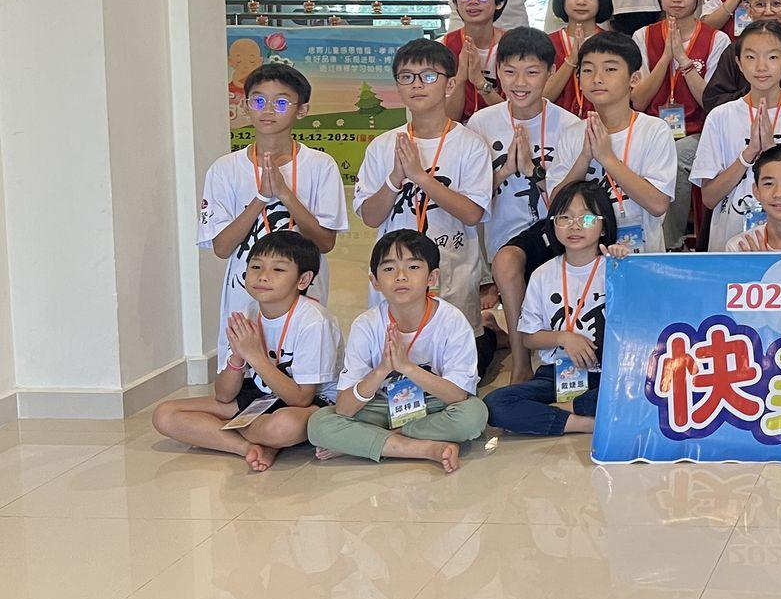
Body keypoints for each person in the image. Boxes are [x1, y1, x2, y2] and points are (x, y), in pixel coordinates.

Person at [352, 40, 491, 366]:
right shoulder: (382, 146)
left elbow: (473, 214)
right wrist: (395, 179)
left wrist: (421, 177)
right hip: (396, 279)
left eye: (428, 76)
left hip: (452, 274)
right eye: (406, 77)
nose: (416, 84)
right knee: (394, 363)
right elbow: (370, 217)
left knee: (452, 369)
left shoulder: (470, 145)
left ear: (450, 85)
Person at [154, 231, 341, 471]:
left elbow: (301, 398)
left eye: (278, 269)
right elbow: (224, 395)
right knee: (165, 414)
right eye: (255, 266)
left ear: (303, 280)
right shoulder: (248, 312)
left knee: (282, 426)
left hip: (310, 403)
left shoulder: (314, 321)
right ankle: (249, 447)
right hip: (261, 397)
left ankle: (247, 434)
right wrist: (237, 357)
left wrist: (254, 355)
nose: (263, 276)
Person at [307, 231, 488, 472]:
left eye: (413, 267)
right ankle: (426, 448)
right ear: (375, 281)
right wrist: (382, 370)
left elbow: (457, 395)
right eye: (389, 269)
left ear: (432, 277)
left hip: (434, 405)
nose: (401, 276)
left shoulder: (452, 320)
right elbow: (345, 407)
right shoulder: (366, 324)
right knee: (319, 425)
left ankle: (376, 440)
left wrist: (407, 368)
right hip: (382, 405)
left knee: (473, 415)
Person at [467, 27, 585, 383]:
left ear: (551, 72)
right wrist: (505, 170)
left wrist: (534, 172)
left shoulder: (569, 125)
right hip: (502, 235)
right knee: (507, 263)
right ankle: (521, 363)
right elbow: (471, 195)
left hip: (555, 231)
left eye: (532, 72)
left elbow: (573, 199)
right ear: (497, 72)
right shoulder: (482, 123)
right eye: (510, 72)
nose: (520, 83)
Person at [201, 63, 346, 325]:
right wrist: (261, 198)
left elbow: (325, 243)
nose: (267, 110)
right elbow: (221, 248)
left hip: (304, 298)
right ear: (246, 106)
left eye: (280, 103)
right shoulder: (224, 169)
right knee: (243, 350)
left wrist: (285, 193)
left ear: (302, 110)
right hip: (244, 300)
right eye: (258, 101)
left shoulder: (321, 165)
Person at [484, 180, 618, 437]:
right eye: (564, 217)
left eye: (587, 218)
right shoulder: (542, 274)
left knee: (638, 388)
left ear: (604, 226)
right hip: (556, 375)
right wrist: (563, 338)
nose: (575, 226)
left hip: (604, 373)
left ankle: (563, 412)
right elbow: (528, 337)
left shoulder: (615, 269)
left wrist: (626, 264)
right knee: (496, 404)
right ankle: (586, 422)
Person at [691, 21, 781, 250]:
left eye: (772, 57)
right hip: (731, 243)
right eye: (751, 57)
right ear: (739, 63)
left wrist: (771, 151)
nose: (761, 66)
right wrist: (747, 155)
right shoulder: (720, 117)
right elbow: (709, 198)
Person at [632, 0, 731, 251]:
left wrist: (684, 62)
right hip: (652, 130)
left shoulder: (717, 40)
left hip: (699, 132)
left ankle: (670, 245)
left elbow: (712, 103)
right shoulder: (643, 36)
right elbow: (638, 100)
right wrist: (665, 58)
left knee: (677, 154)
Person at [567, 31, 676, 252]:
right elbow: (557, 204)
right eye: (587, 70)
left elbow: (658, 204)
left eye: (610, 69)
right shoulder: (571, 133)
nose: (597, 78)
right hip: (585, 256)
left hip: (642, 254)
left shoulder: (654, 130)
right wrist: (584, 158)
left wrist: (607, 158)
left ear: (634, 79)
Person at [440, 0, 509, 123]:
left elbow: (515, 116)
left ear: (499, 2)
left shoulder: (514, 45)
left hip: (503, 129)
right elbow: (448, 120)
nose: (473, 1)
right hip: (460, 130)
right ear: (455, 3)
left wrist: (480, 82)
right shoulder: (444, 46)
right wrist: (461, 78)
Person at [545, 0, 613, 119]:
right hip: (555, 128)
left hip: (603, 126)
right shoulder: (547, 43)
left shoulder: (613, 44)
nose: (581, 1)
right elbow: (541, 98)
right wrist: (572, 60)